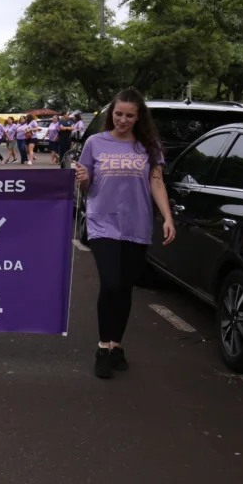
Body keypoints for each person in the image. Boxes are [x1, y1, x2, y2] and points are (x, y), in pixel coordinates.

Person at [74, 87, 176, 379]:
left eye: (129, 115)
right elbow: (85, 186)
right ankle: (102, 348)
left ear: (138, 117)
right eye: (118, 114)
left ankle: (116, 345)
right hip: (102, 222)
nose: (122, 120)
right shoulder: (95, 142)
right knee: (110, 284)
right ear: (111, 113)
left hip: (137, 224)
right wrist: (83, 178)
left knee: (124, 288)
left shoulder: (148, 145)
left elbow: (157, 183)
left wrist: (167, 218)